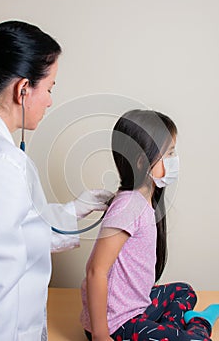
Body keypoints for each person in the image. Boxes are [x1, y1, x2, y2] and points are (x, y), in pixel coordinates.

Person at [0, 20, 112, 341]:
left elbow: (24, 234)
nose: (50, 100)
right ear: (23, 89)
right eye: (50, 87)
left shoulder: (3, 157)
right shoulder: (0, 163)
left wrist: (77, 209)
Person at [80, 109, 219, 341]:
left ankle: (168, 331)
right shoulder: (128, 206)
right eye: (169, 153)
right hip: (117, 325)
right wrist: (100, 335)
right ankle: (198, 323)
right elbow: (96, 271)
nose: (174, 161)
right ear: (142, 162)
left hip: (137, 307)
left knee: (184, 291)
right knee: (198, 340)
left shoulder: (141, 200)